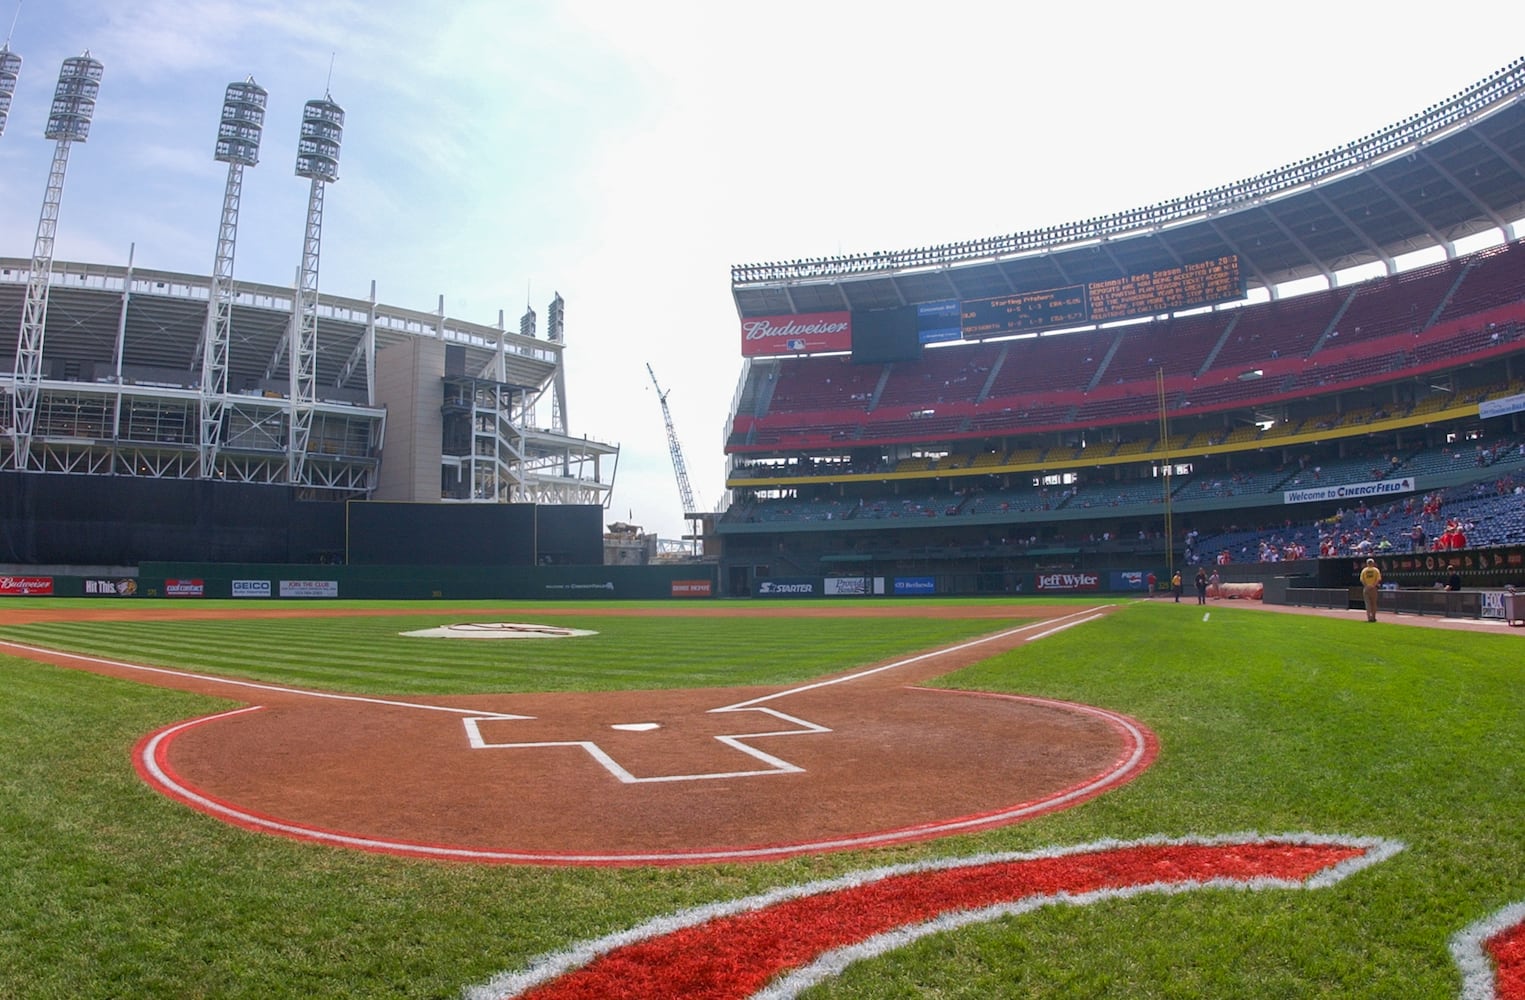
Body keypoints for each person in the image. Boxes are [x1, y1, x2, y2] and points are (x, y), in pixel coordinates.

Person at [1359, 557, 1382, 622]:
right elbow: (1378, 579)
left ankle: (1369, 618)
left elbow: (1362, 580)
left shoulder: (1364, 570)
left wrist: (1366, 585)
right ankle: (1374, 617)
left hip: (1366, 588)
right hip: (1373, 588)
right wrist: (1373, 585)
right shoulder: (1376, 570)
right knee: (1374, 603)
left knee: (1367, 604)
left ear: (1367, 564)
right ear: (1373, 563)